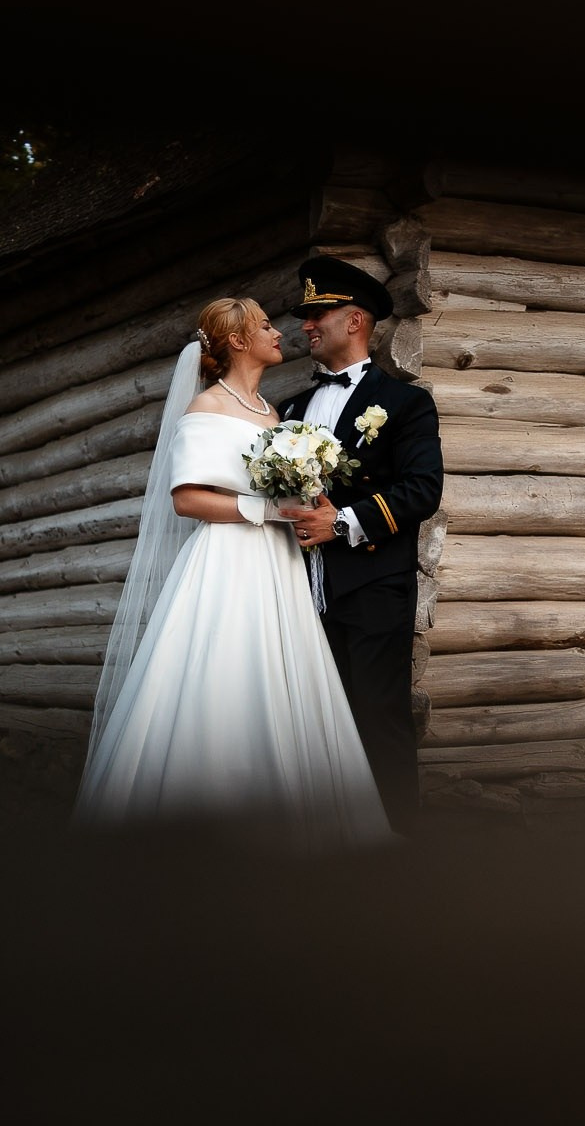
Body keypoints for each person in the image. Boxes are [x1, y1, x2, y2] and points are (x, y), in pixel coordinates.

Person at [74, 295, 394, 850]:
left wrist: (309, 490)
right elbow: (188, 500)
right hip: (226, 559)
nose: (281, 332)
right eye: (266, 325)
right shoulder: (205, 409)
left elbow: (285, 487)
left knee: (281, 668)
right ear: (239, 341)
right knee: (226, 670)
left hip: (278, 563)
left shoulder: (274, 414)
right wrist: (267, 511)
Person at [278, 256, 444, 829]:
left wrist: (341, 522)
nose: (305, 325)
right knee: (313, 718)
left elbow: (422, 490)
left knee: (377, 717)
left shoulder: (404, 402)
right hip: (300, 590)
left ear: (354, 321)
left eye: (316, 314)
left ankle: (398, 845)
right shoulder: (292, 410)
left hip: (373, 585)